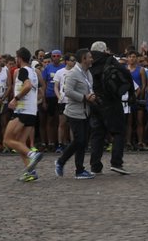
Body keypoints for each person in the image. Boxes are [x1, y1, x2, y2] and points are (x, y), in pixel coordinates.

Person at [87, 40, 131, 175]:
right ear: (105, 50)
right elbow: (125, 72)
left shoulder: (88, 61)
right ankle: (116, 163)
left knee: (97, 134)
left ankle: (95, 165)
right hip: (111, 101)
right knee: (118, 132)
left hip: (94, 101)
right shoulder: (109, 60)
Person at [4, 47, 45, 182]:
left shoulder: (22, 70)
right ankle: (30, 172)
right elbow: (39, 92)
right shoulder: (34, 72)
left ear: (19, 58)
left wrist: (15, 99)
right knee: (20, 143)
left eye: (16, 58)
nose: (15, 60)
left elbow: (27, 86)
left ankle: (32, 154)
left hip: (22, 110)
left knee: (8, 140)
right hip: (32, 112)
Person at [55, 49, 95, 179]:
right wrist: (84, 97)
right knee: (79, 140)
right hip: (74, 112)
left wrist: (92, 96)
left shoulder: (87, 72)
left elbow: (89, 88)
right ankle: (61, 162)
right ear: (83, 59)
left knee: (82, 142)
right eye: (90, 57)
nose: (92, 59)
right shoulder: (73, 73)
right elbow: (68, 91)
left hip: (85, 111)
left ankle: (79, 170)